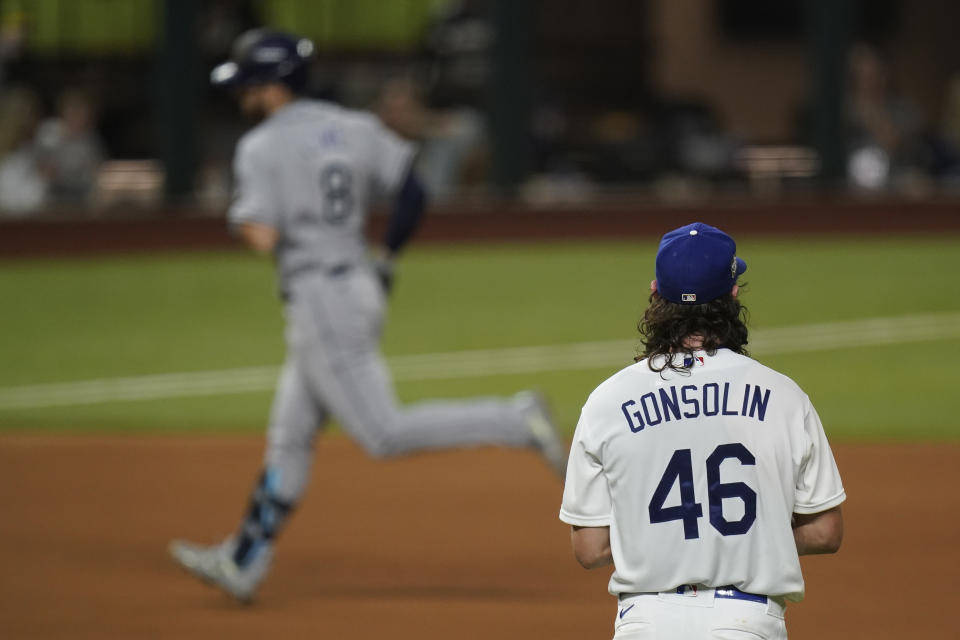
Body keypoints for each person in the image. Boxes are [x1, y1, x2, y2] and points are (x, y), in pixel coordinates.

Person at [169, 29, 567, 603]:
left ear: (272, 86)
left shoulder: (259, 148)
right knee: (291, 435)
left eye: (249, 83)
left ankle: (515, 418)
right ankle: (244, 559)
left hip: (320, 301)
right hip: (357, 285)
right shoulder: (352, 126)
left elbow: (260, 235)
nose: (243, 94)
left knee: (382, 433)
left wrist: (245, 218)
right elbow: (413, 190)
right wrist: (388, 256)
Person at [559, 222, 845, 639]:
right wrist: (745, 538)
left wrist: (666, 538)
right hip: (746, 624)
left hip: (645, 623)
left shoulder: (607, 401)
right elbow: (825, 530)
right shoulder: (784, 396)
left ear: (656, 293)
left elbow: (589, 549)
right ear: (732, 295)